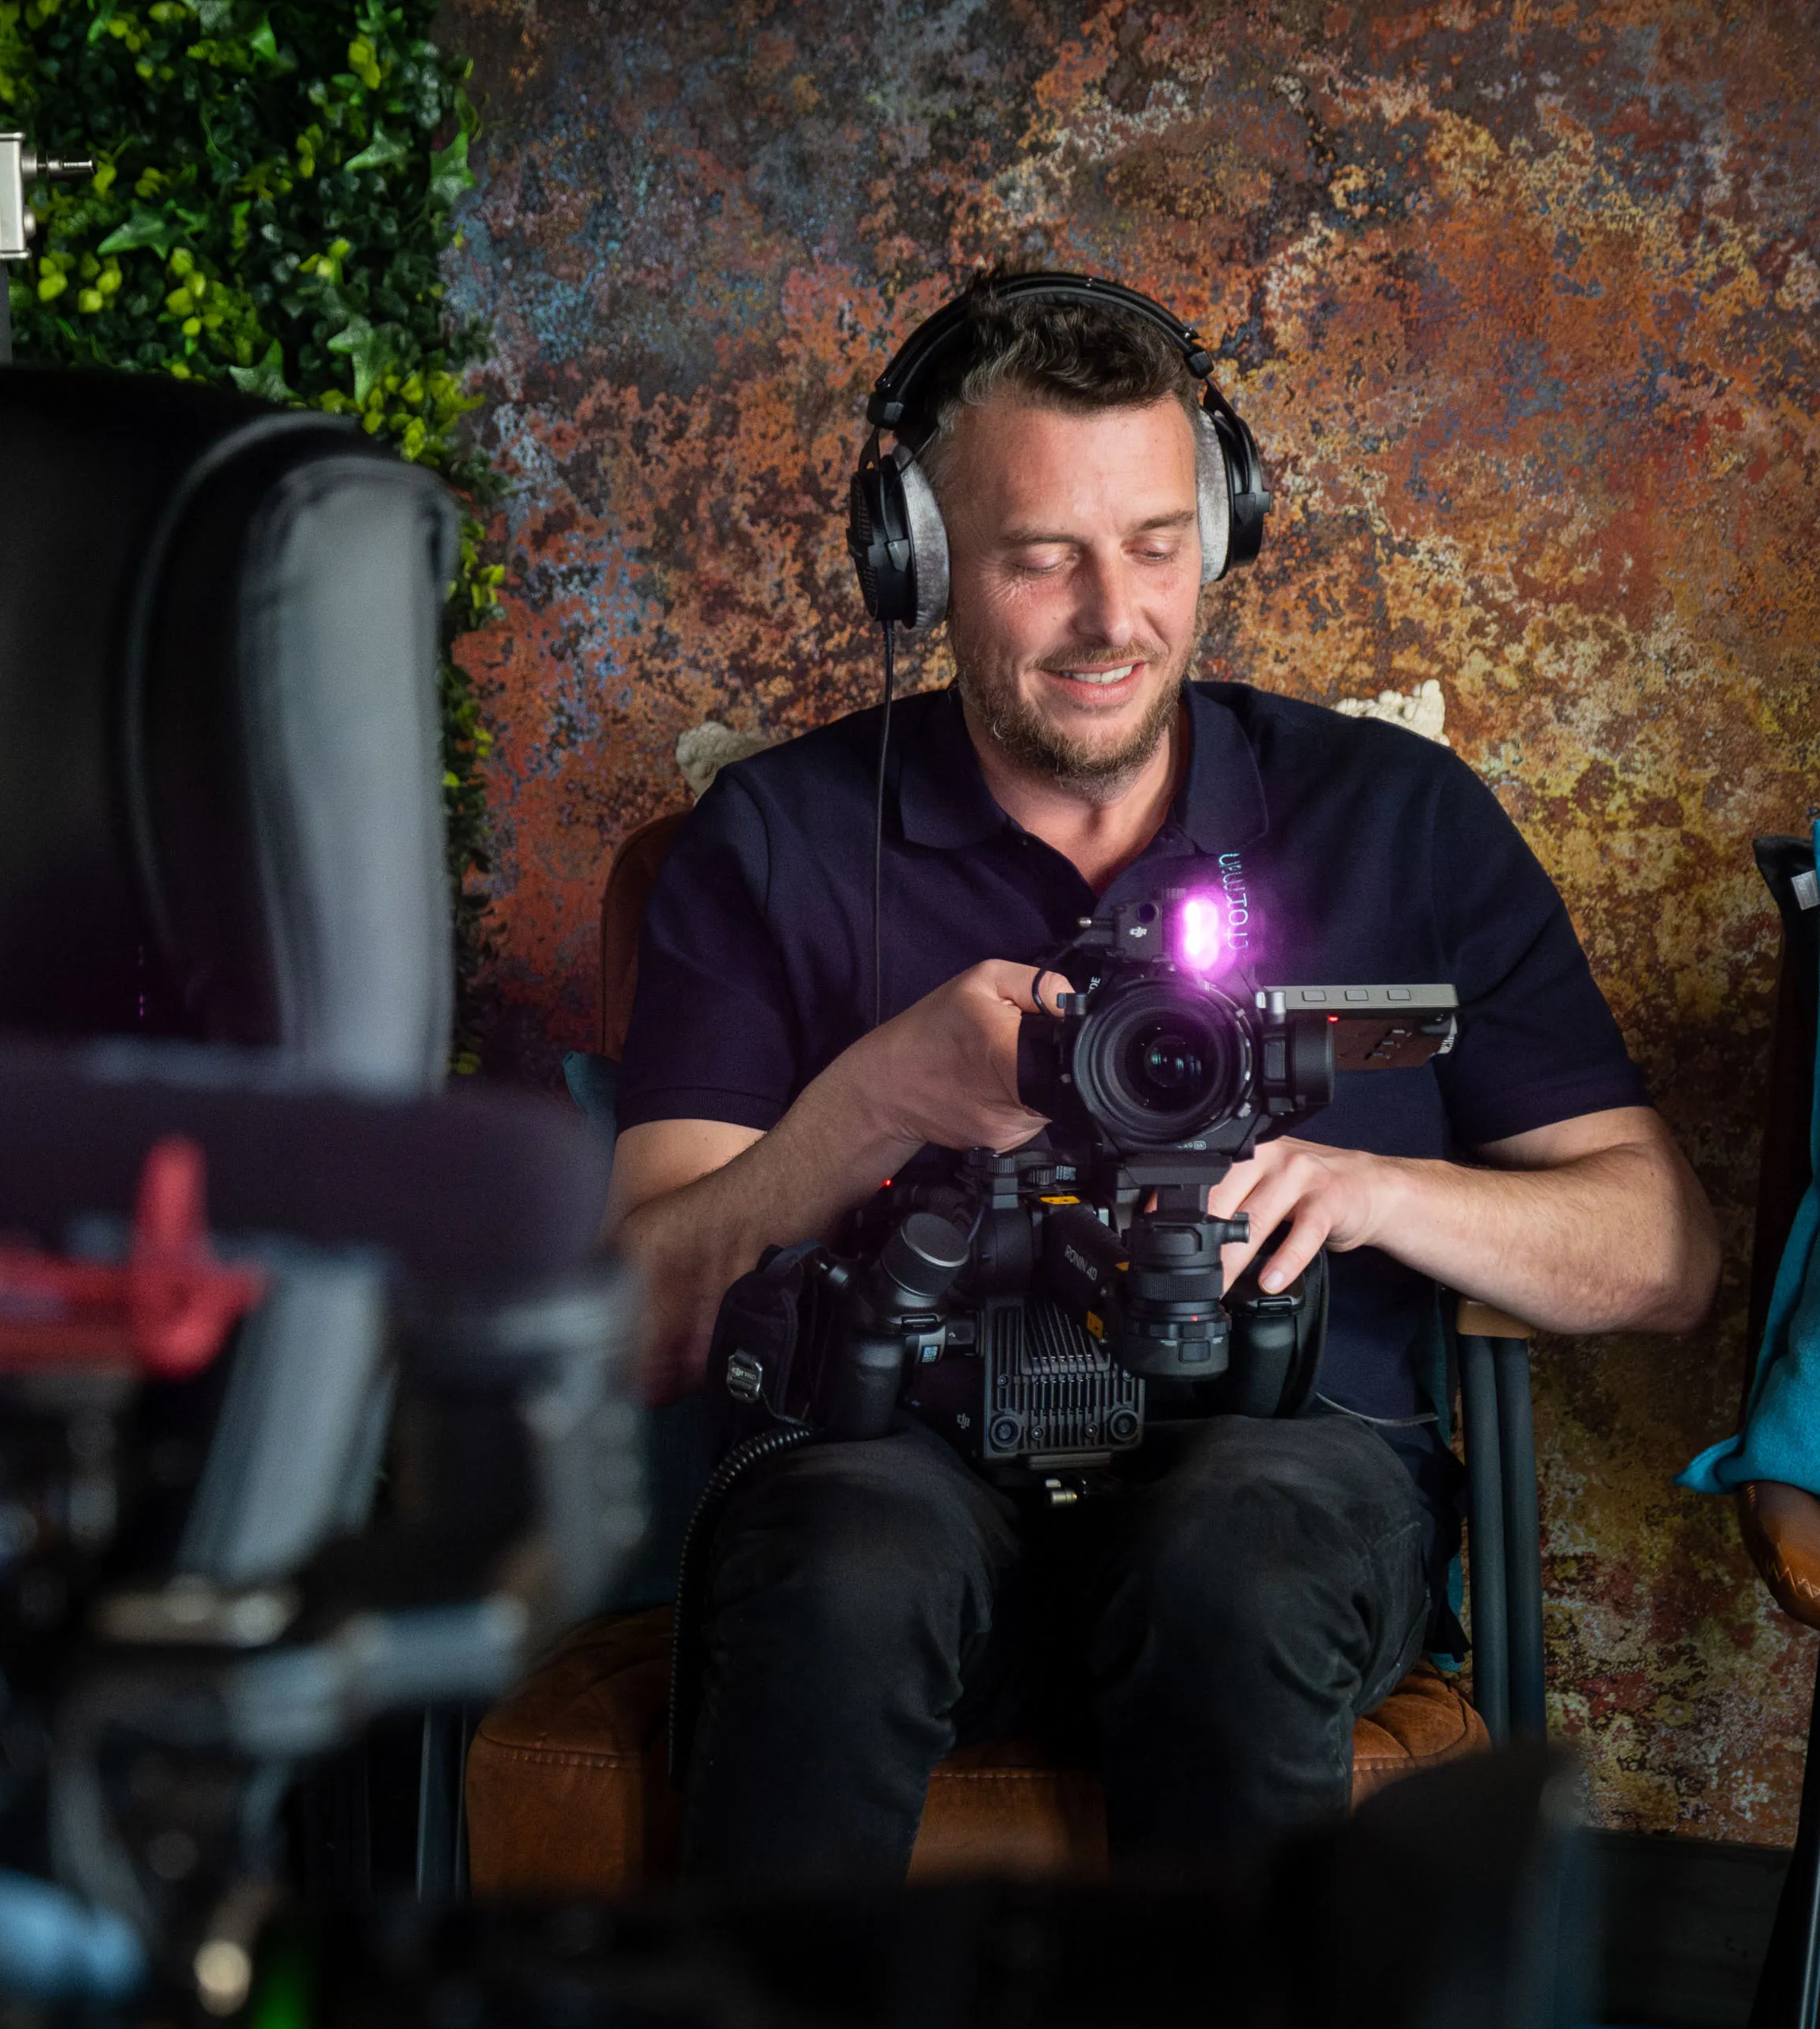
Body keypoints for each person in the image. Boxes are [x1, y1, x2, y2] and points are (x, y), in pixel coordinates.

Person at [606, 275, 1718, 1885]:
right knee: (842, 1560)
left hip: (1284, 1478)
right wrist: (870, 1102)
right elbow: (634, 1323)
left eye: (1150, 543)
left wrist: (1373, 1190)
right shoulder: (775, 841)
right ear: (919, 563)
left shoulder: (1397, 818)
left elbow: (1664, 1254)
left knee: (1239, 1555)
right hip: (889, 1477)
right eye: (1039, 554)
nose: (1111, 617)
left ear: (1220, 528)